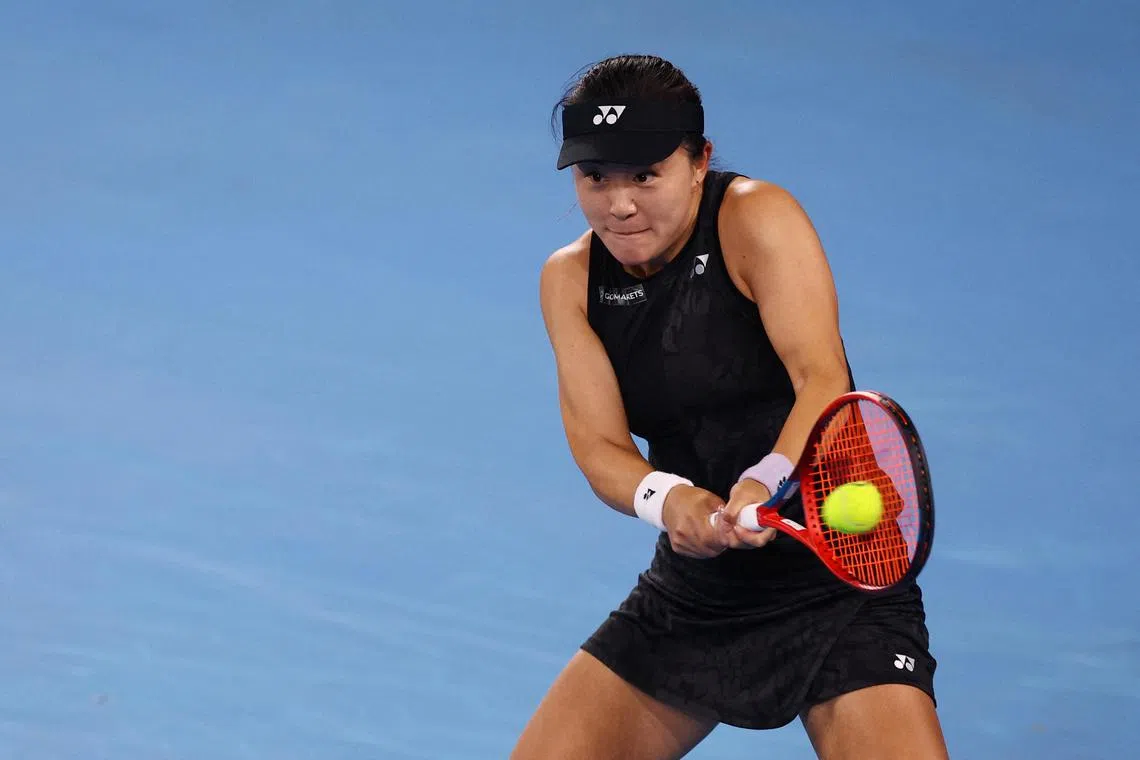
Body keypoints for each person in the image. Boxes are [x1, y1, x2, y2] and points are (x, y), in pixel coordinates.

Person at [511, 54, 949, 760]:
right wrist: (670, 499)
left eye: (645, 175)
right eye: (596, 178)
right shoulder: (569, 281)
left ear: (699, 160)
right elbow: (600, 450)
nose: (619, 205)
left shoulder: (755, 218)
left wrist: (767, 475)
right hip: (700, 592)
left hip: (838, 573)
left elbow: (821, 377)